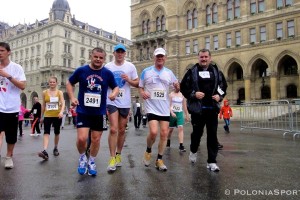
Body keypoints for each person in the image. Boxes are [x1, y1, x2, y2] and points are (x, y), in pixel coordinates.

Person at [66, 47, 118, 176]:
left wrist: (114, 94)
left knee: (96, 139)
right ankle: (83, 157)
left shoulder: (107, 73)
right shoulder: (82, 70)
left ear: (104, 59)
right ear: (91, 56)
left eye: (101, 58)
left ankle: (92, 161)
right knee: (82, 138)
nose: (98, 60)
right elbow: (69, 83)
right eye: (96, 57)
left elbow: (115, 87)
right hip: (83, 110)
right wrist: (72, 97)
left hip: (99, 112)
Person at [180, 48, 227, 172]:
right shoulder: (192, 71)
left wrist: (219, 96)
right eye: (202, 57)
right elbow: (183, 87)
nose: (204, 59)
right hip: (198, 110)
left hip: (212, 109)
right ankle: (193, 150)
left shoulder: (216, 71)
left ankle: (211, 161)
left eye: (206, 57)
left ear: (210, 58)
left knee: (212, 135)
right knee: (197, 134)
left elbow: (223, 86)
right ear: (198, 58)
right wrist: (193, 94)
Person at [139, 47, 179, 171]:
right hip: (151, 107)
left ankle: (159, 160)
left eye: (162, 56)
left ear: (165, 58)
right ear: (154, 58)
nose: (160, 58)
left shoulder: (169, 73)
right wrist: (142, 92)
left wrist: (177, 87)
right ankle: (148, 150)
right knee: (153, 132)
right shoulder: (146, 71)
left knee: (164, 134)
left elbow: (177, 88)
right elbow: (140, 86)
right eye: (158, 56)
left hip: (164, 108)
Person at [105, 43, 139, 172]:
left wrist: (129, 80)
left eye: (122, 52)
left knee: (122, 130)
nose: (119, 54)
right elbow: (103, 84)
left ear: (125, 53)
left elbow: (137, 83)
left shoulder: (130, 66)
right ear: (113, 53)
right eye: (117, 52)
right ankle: (112, 157)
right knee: (113, 129)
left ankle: (118, 154)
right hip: (111, 100)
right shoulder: (108, 67)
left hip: (124, 102)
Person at [0, 42, 26, 169]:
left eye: (2, 50)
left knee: (11, 135)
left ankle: (9, 157)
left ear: (9, 52)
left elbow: (22, 86)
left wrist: (8, 76)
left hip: (12, 108)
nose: (0, 53)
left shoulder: (16, 68)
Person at [38, 77, 65, 160]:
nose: (52, 83)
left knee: (57, 132)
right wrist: (41, 116)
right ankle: (45, 150)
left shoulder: (60, 92)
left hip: (57, 115)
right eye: (50, 82)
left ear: (56, 83)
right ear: (48, 83)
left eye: (54, 82)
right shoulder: (44, 92)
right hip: (47, 115)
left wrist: (61, 112)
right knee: (46, 132)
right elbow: (43, 105)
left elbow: (63, 103)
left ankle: (55, 148)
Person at [166, 87, 190, 152]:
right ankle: (168, 140)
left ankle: (181, 145)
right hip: (172, 113)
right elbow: (168, 105)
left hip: (179, 113)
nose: (178, 88)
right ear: (174, 87)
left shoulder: (182, 95)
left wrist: (187, 115)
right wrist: (171, 112)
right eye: (176, 87)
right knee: (170, 130)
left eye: (179, 87)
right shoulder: (171, 95)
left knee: (181, 128)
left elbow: (184, 106)